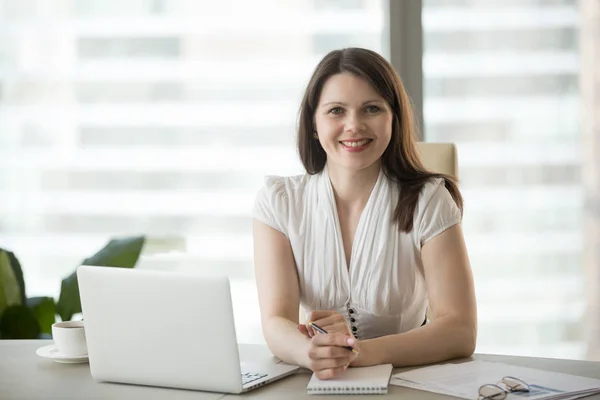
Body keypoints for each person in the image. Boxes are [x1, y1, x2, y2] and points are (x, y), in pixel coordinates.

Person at [252, 47, 477, 380]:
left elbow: (460, 331)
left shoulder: (429, 200)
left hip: (408, 386)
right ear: (314, 122)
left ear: (393, 119)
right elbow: (276, 322)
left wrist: (357, 352)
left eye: (372, 108)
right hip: (318, 384)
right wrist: (311, 353)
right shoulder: (279, 201)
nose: (353, 125)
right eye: (336, 111)